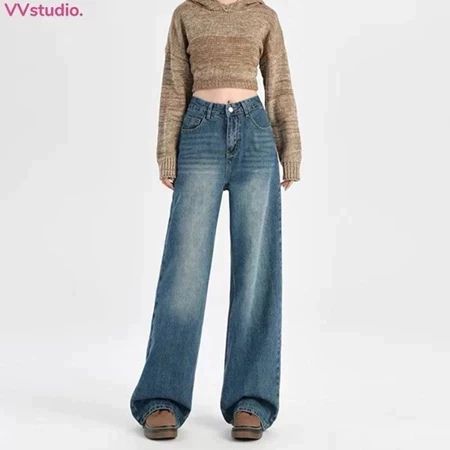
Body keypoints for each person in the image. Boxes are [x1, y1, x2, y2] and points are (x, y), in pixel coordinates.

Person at [130, 0, 303, 441]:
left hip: (255, 134)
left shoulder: (264, 16)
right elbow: (174, 83)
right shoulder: (187, 13)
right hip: (199, 133)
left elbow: (279, 84)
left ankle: (251, 399)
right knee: (184, 271)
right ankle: (162, 397)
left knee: (256, 272)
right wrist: (167, 150)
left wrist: (290, 150)